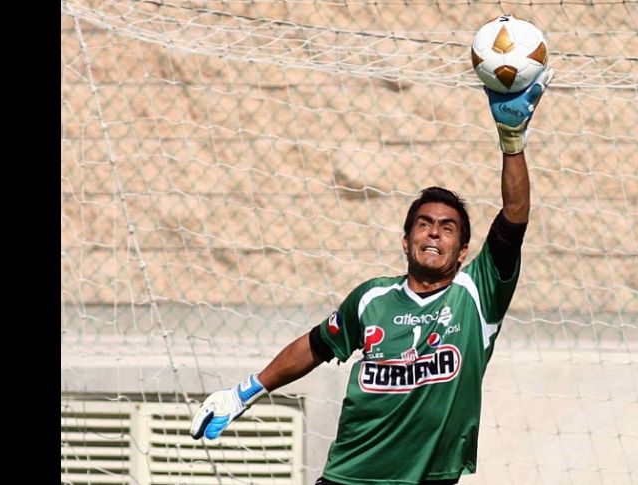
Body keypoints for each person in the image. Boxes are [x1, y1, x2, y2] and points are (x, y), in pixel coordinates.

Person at [190, 68, 554, 485]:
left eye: (447, 227)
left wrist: (512, 139)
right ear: (405, 241)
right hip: (349, 477)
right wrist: (244, 393)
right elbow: (314, 345)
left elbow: (513, 219)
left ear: (463, 251)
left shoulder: (477, 294)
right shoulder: (371, 298)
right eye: (424, 223)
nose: (434, 231)